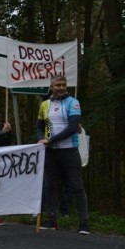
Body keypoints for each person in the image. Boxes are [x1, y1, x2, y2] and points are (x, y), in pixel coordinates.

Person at [36, 74, 89, 234]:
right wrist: (41, 139)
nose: (61, 88)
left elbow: (73, 127)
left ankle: (84, 223)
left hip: (69, 150)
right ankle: (52, 219)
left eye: (63, 85)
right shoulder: (45, 104)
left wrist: (50, 140)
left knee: (76, 186)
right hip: (51, 152)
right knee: (50, 185)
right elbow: (39, 126)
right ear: (51, 87)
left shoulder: (73, 102)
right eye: (57, 85)